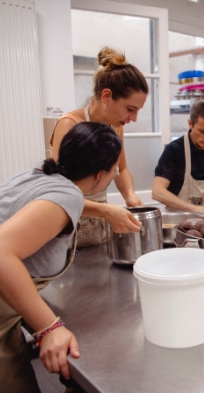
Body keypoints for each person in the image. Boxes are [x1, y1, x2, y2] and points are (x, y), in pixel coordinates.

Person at [0, 122, 122, 392]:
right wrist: (50, 328)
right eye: (115, 168)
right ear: (99, 175)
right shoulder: (68, 194)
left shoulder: (36, 175)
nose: (116, 172)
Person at [50, 46, 146, 247]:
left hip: (100, 222)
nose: (134, 118)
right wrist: (105, 211)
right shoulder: (69, 125)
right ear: (107, 96)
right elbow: (58, 191)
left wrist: (130, 195)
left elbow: (122, 169)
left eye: (138, 111)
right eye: (130, 109)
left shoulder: (116, 126)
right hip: (70, 222)